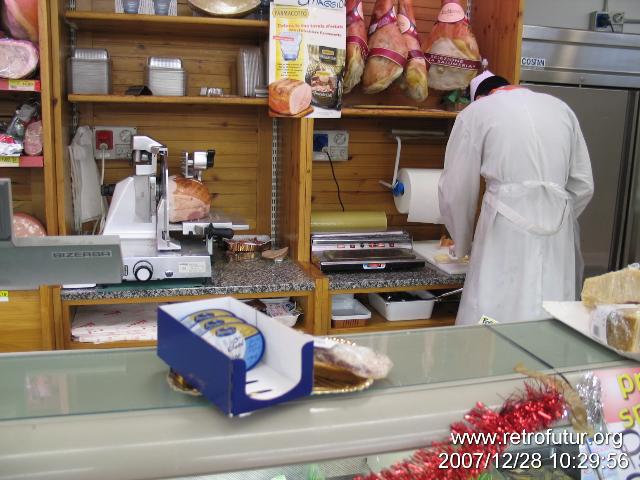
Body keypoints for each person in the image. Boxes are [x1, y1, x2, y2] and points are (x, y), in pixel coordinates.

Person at [438, 70, 594, 326]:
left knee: (492, 319)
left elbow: (456, 192)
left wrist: (462, 245)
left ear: (479, 97)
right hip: (558, 238)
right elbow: (583, 185)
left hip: (503, 232)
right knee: (549, 326)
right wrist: (552, 214)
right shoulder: (561, 109)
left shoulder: (476, 113)